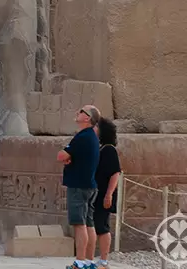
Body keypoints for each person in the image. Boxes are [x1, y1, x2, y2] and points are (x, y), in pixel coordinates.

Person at [58, 105, 101, 269]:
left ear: (87, 118)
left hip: (78, 185)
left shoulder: (82, 137)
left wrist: (66, 157)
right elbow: (72, 156)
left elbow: (61, 155)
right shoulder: (91, 137)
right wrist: (70, 158)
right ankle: (89, 261)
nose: (78, 112)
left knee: (79, 223)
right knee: (89, 223)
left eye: (82, 111)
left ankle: (80, 262)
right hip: (89, 185)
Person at [93, 118, 122, 269]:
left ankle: (104, 260)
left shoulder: (109, 149)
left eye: (97, 126)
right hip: (97, 194)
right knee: (96, 226)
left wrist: (109, 194)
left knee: (102, 226)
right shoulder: (101, 148)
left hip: (104, 194)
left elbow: (115, 173)